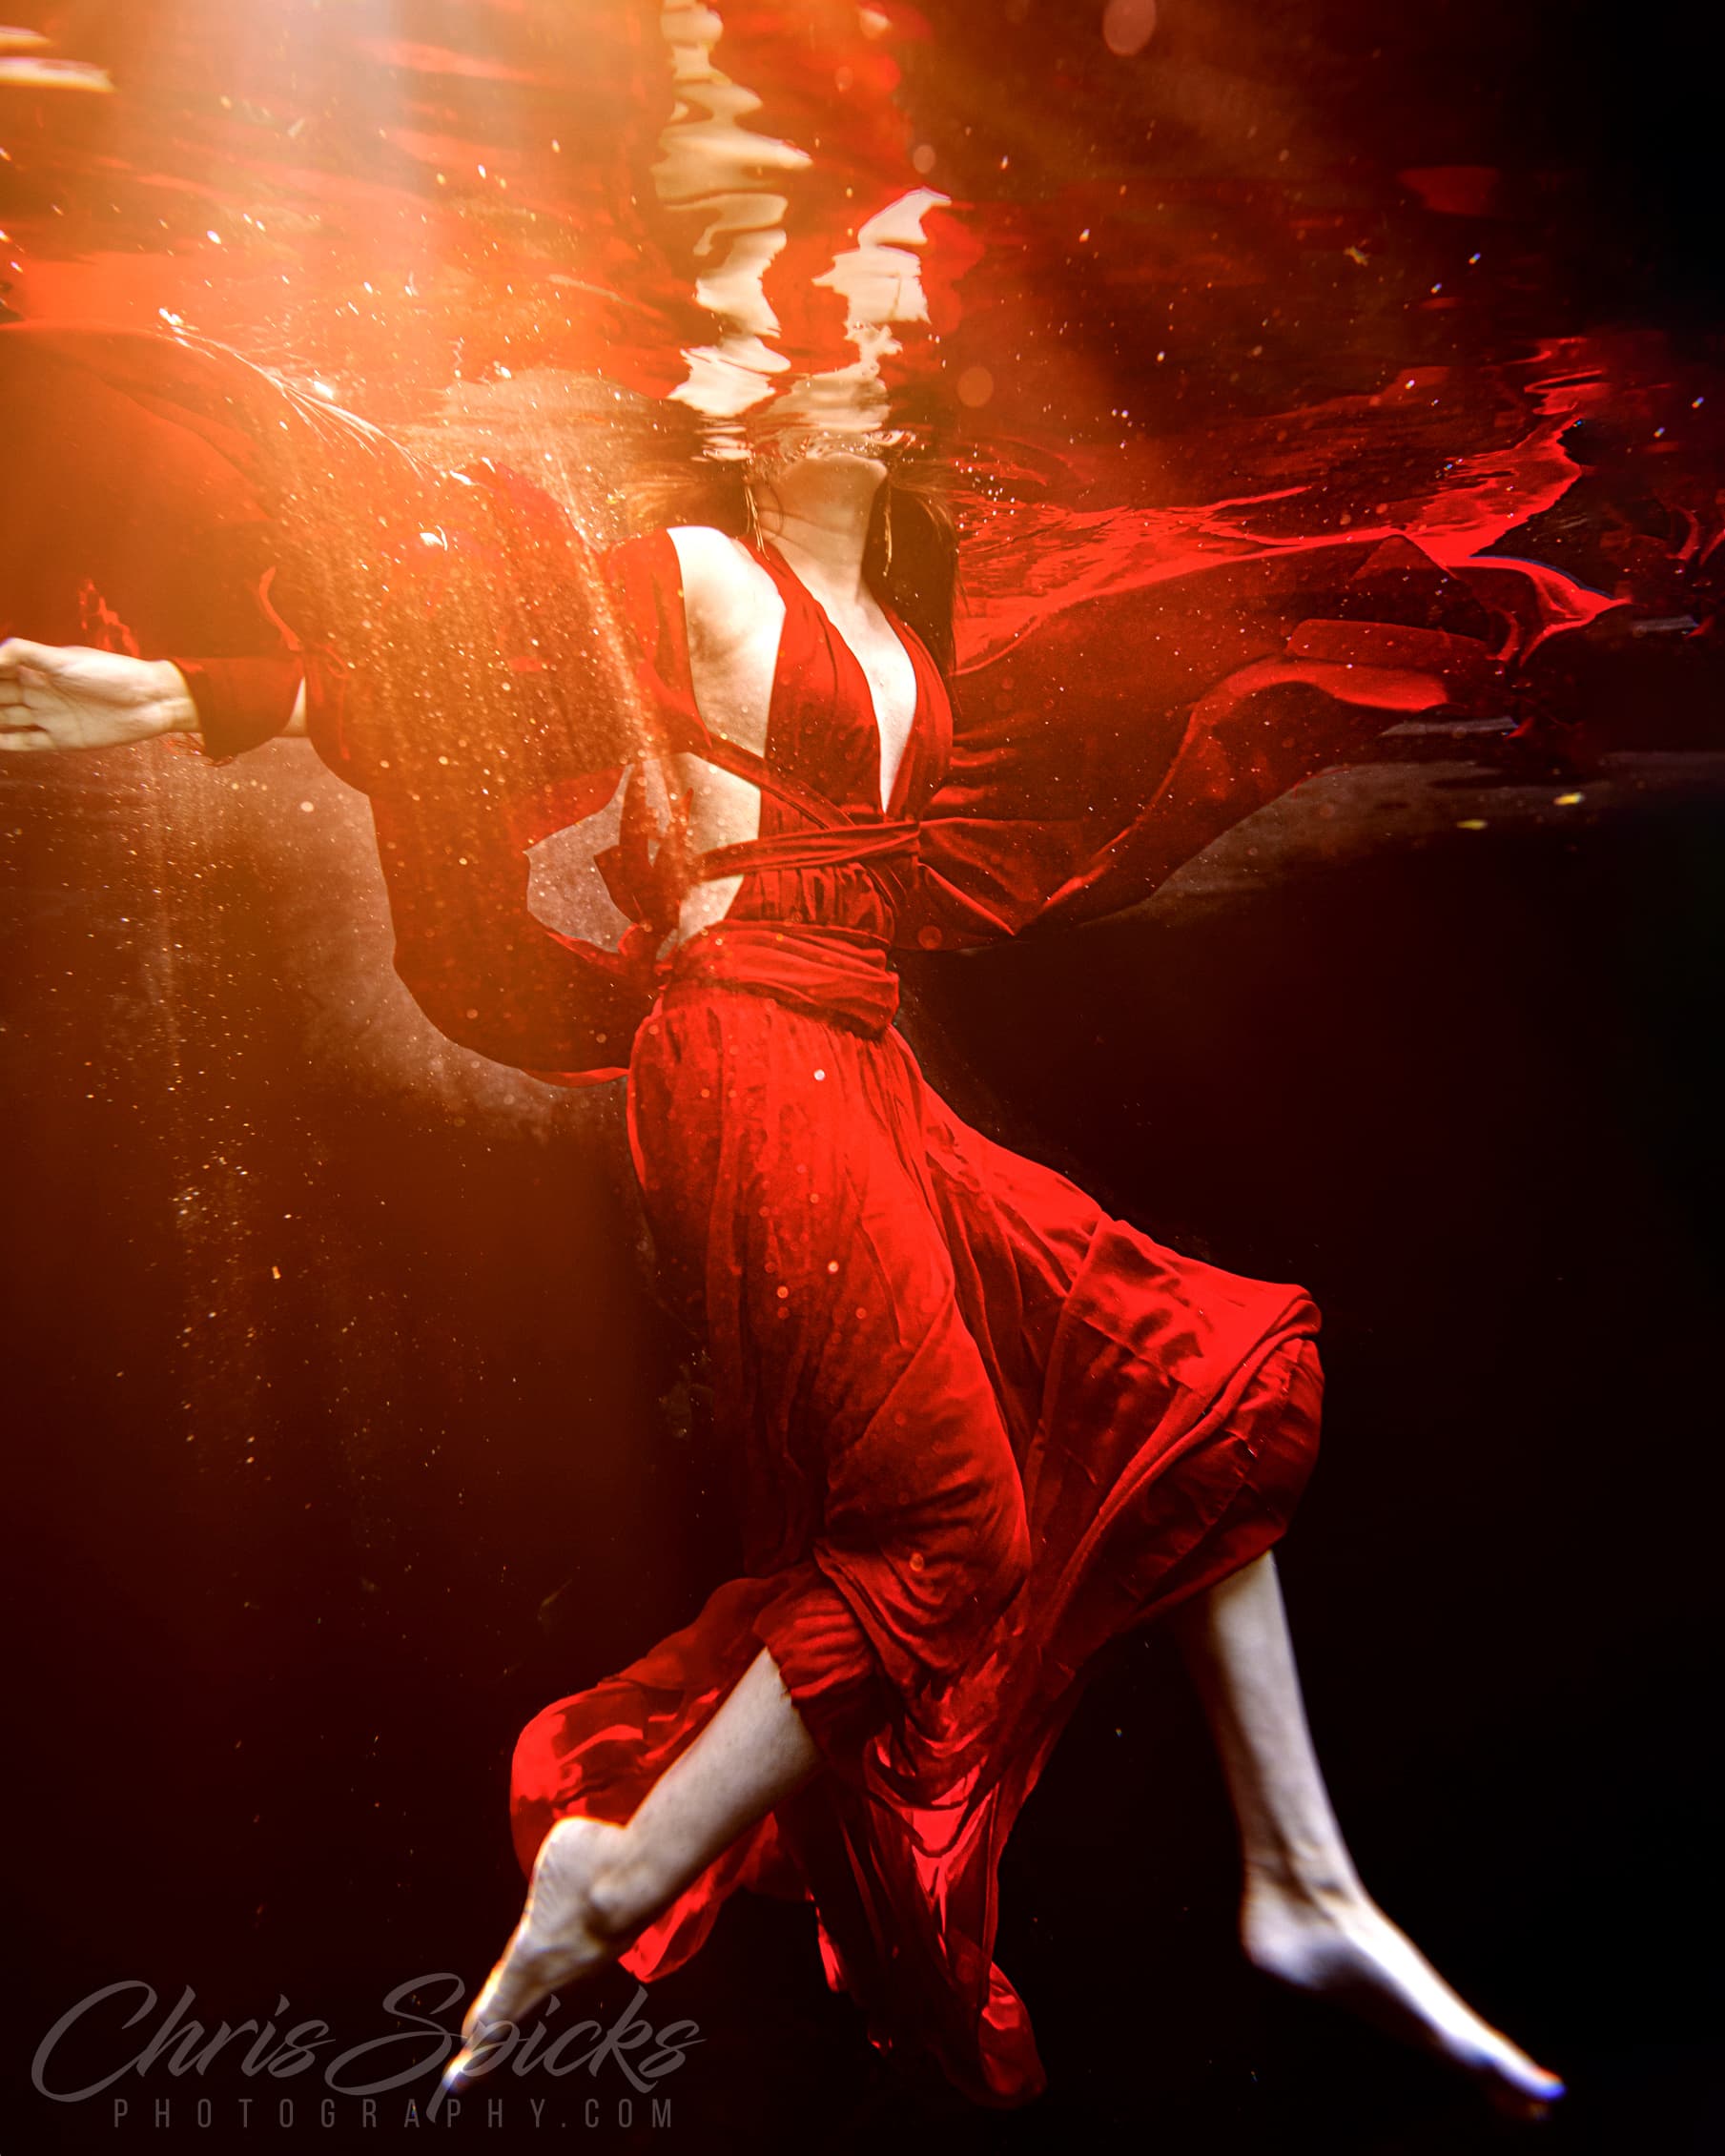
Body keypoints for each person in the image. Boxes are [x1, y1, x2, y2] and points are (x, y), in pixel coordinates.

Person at [0, 387, 1565, 2121]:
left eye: (895, 335)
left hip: (864, 1057)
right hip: (745, 1051)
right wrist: (174, 692)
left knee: (1192, 1357)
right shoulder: (681, 568)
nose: (875, 351)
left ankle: (1303, 1875)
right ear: (746, 406)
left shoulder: (901, 622)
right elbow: (467, 693)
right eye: (829, 328)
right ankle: (618, 1861)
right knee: (942, 1534)